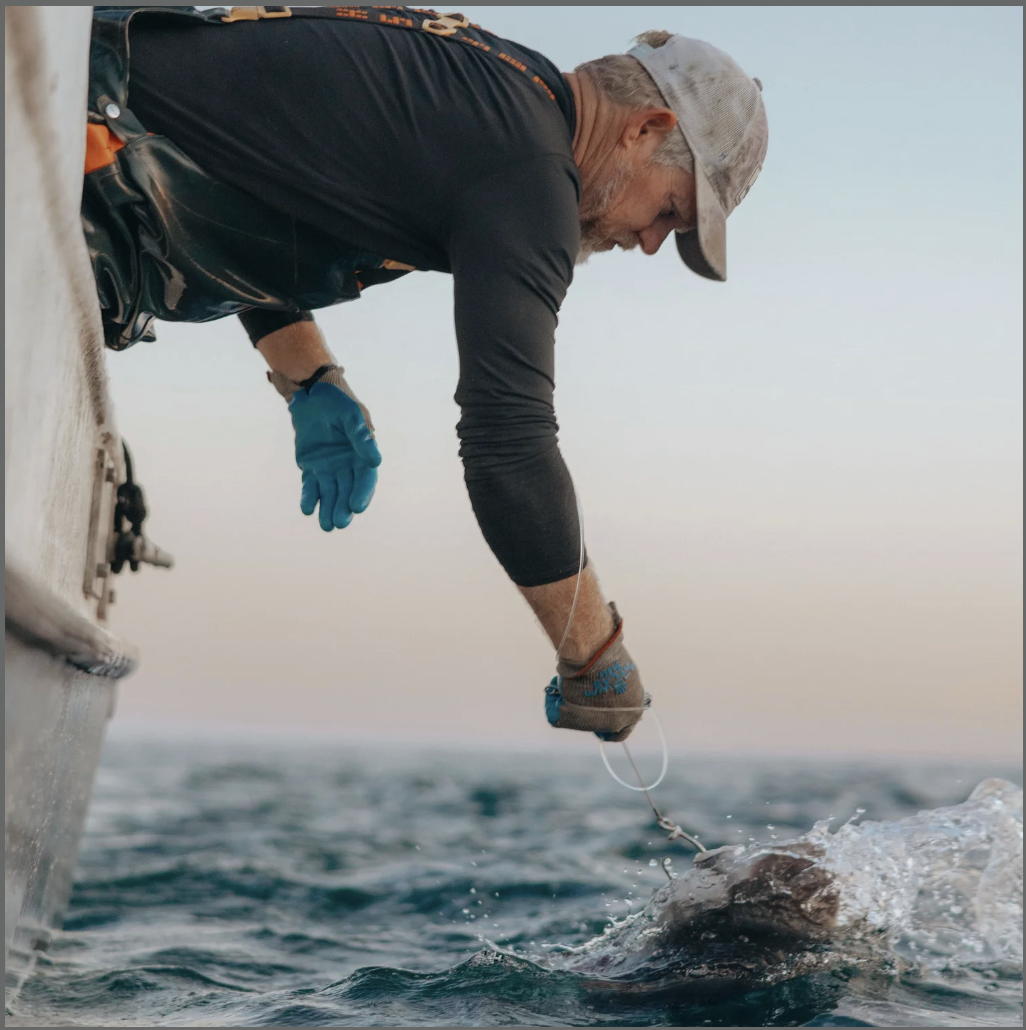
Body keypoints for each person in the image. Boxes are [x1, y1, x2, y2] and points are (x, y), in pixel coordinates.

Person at [82, 6, 768, 742]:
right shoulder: (531, 173)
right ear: (646, 127)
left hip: (81, 104)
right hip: (68, 150)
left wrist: (309, 376)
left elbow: (247, 161)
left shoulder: (494, 90)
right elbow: (509, 448)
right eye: (671, 210)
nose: (654, 244)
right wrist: (595, 656)